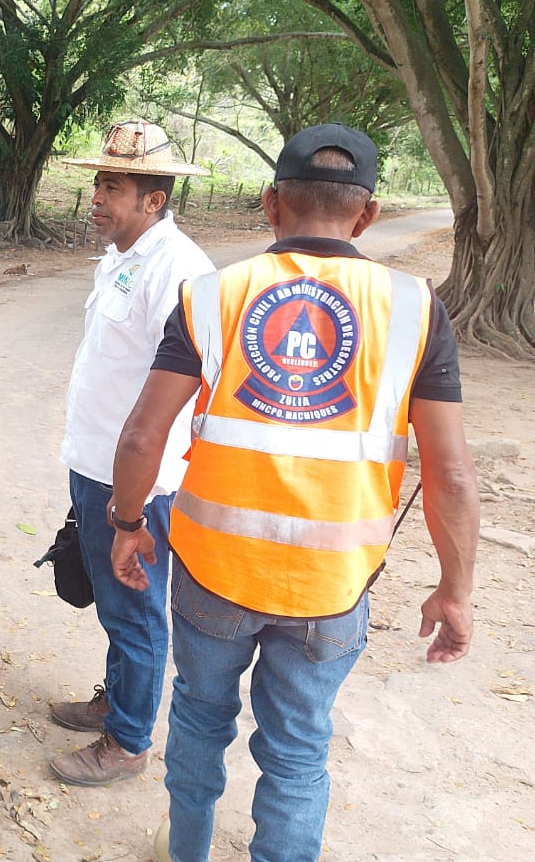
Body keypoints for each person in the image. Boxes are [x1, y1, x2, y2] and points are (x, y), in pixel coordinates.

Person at [109, 124, 478, 862]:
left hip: (214, 573)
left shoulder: (213, 295)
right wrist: (455, 590)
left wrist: (127, 524)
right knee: (299, 751)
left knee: (198, 721)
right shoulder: (414, 307)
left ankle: (185, 848)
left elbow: (141, 436)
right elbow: (453, 474)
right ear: (366, 215)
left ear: (272, 205)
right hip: (332, 585)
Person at [47, 120, 214, 786]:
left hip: (140, 481)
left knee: (136, 608)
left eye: (111, 186)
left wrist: (132, 503)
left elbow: (185, 394)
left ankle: (128, 741)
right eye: (96, 183)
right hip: (95, 463)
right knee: (118, 607)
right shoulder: (124, 254)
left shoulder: (180, 271)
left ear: (153, 199)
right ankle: (116, 701)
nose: (95, 196)